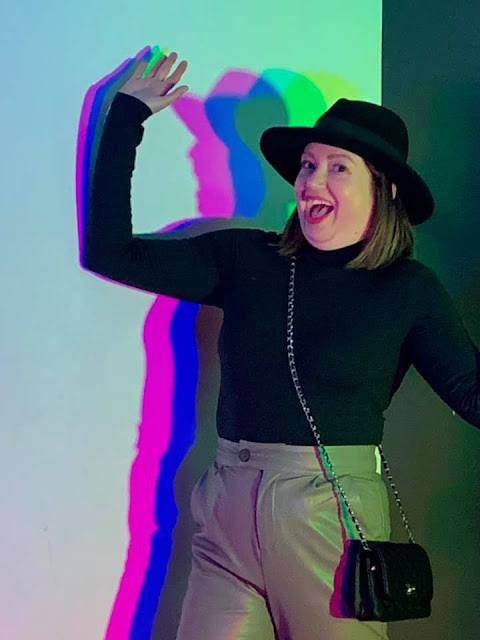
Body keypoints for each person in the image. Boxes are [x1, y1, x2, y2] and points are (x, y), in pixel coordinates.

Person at [82, 50, 480, 639]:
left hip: (330, 518)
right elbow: (110, 252)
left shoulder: (407, 289)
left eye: (337, 168)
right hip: (226, 508)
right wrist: (125, 118)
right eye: (308, 166)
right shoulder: (247, 258)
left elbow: (472, 393)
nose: (312, 181)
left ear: (385, 188)